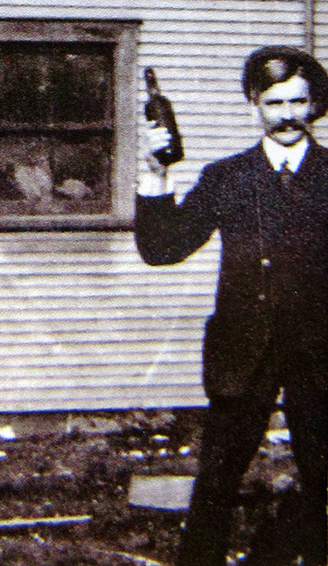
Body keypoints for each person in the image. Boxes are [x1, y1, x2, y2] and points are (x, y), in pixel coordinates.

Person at [135, 45, 328, 566]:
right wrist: (156, 172)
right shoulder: (228, 178)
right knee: (216, 479)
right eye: (274, 103)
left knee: (325, 485)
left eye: (298, 101)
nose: (287, 115)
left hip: (321, 357)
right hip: (243, 353)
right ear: (252, 105)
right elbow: (162, 248)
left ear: (314, 105)